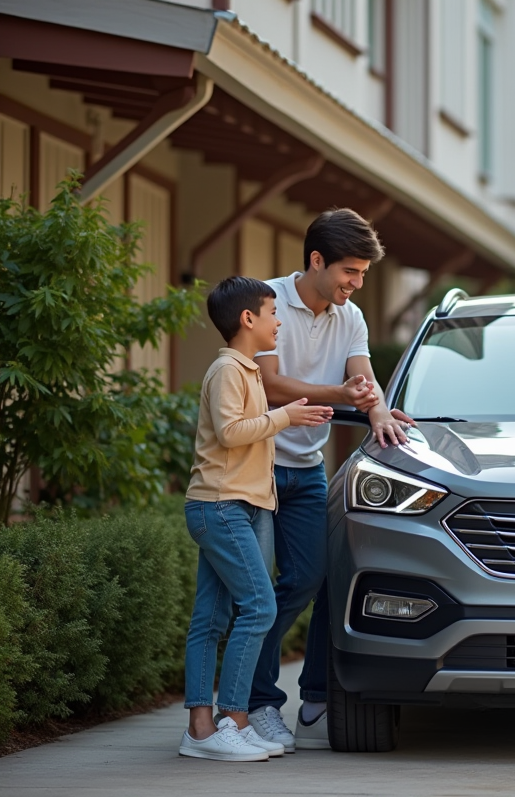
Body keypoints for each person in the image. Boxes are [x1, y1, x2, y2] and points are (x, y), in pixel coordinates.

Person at [247, 208, 413, 751]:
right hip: (256, 466)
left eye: (363, 274)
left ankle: (313, 691)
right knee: (264, 596)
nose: (356, 284)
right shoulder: (267, 302)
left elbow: (363, 381)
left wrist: (380, 412)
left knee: (315, 579)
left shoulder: (350, 317)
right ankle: (258, 704)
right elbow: (270, 386)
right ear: (316, 260)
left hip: (306, 468)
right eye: (350, 272)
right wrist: (341, 396)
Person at [180, 276, 332, 762]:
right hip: (220, 505)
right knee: (261, 608)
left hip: (234, 505)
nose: (278, 320)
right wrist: (286, 416)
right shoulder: (228, 369)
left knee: (212, 618)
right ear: (248, 319)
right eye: (271, 312)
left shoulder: (245, 370)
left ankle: (202, 730)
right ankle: (234, 718)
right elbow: (230, 432)